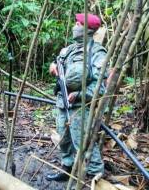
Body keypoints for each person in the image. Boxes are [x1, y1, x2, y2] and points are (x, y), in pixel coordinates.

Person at [46, 13, 107, 181]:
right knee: (64, 139)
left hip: (80, 106)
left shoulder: (97, 53)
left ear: (88, 30)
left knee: (83, 142)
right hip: (62, 102)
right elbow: (57, 63)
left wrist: (80, 94)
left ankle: (96, 176)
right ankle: (67, 169)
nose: (75, 26)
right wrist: (53, 67)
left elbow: (100, 86)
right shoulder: (69, 49)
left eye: (78, 24)